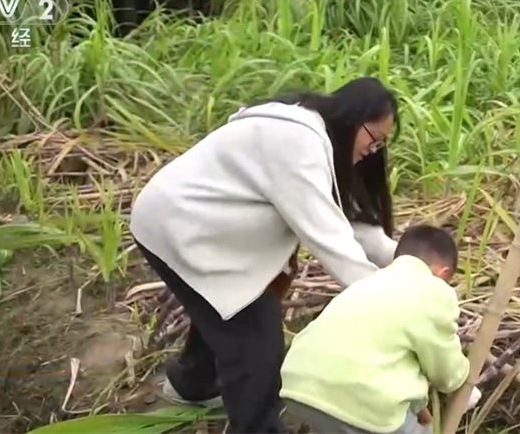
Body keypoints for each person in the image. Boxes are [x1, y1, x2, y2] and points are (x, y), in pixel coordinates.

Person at [128, 76, 402, 433]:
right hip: (179, 226)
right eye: (374, 138)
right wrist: (393, 303)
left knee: (225, 311)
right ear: (353, 119)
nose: (374, 150)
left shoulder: (316, 143)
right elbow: (331, 240)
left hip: (205, 231)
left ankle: (193, 385)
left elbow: (347, 222)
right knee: (257, 343)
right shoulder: (297, 144)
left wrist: (404, 259)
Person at [280, 224, 483, 434]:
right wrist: (463, 382)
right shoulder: (434, 291)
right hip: (363, 398)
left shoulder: (366, 283)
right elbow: (446, 370)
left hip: (299, 384)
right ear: (443, 272)